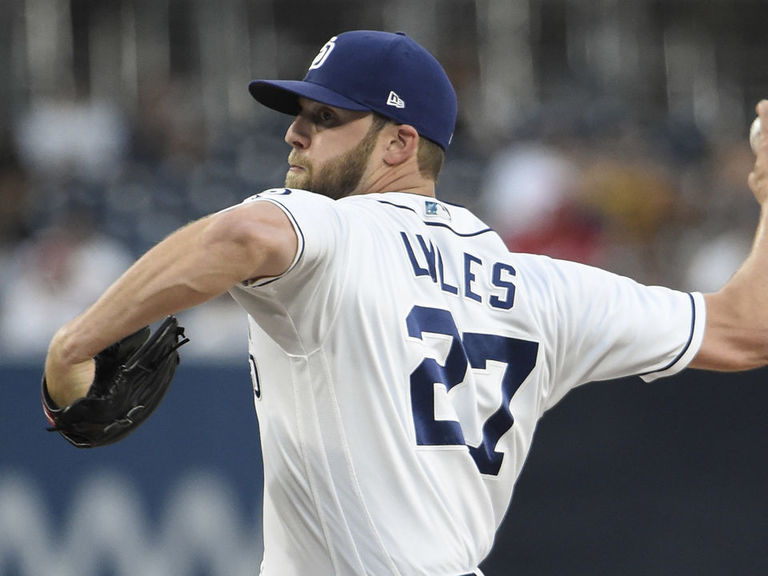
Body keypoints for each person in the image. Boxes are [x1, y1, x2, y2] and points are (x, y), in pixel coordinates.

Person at [42, 30, 768, 576]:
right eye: (300, 112)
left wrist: (76, 342)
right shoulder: (543, 285)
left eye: (325, 118)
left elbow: (240, 233)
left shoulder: (336, 231)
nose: (295, 130)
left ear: (400, 143)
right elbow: (743, 331)